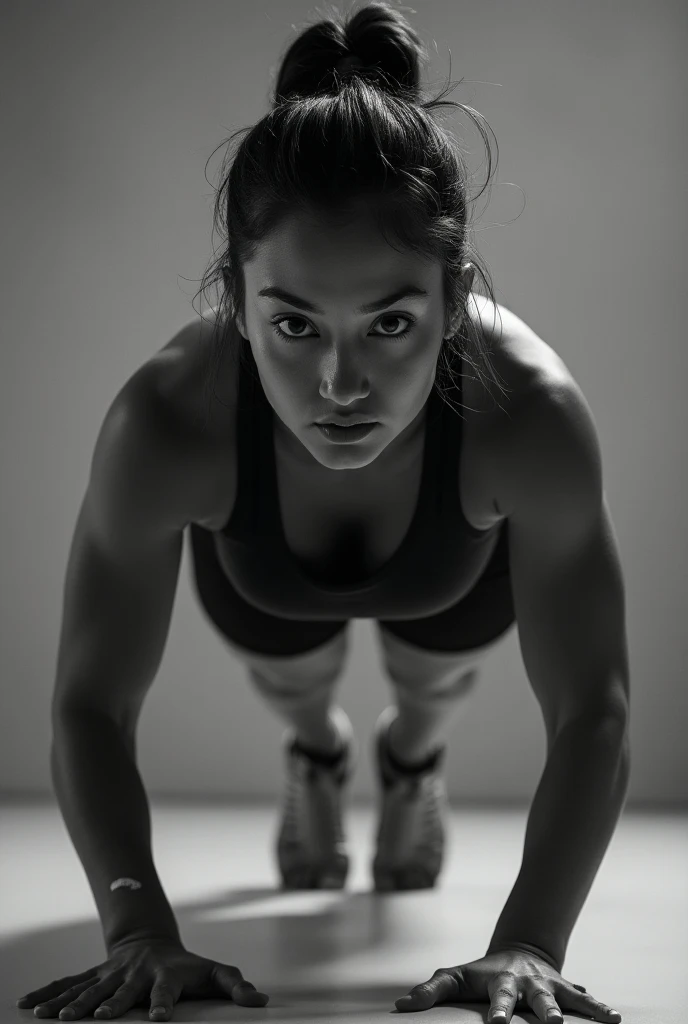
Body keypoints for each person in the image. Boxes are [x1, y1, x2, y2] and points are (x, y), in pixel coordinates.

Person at [18, 3, 629, 1024]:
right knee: (289, 666)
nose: (340, 382)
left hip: (454, 576)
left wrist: (528, 940)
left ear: (453, 294)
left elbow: (590, 706)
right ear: (237, 298)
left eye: (390, 321)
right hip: (271, 582)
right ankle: (317, 746)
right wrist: (137, 929)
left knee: (431, 671)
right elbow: (90, 704)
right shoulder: (167, 419)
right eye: (293, 323)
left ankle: (410, 752)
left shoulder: (529, 412)